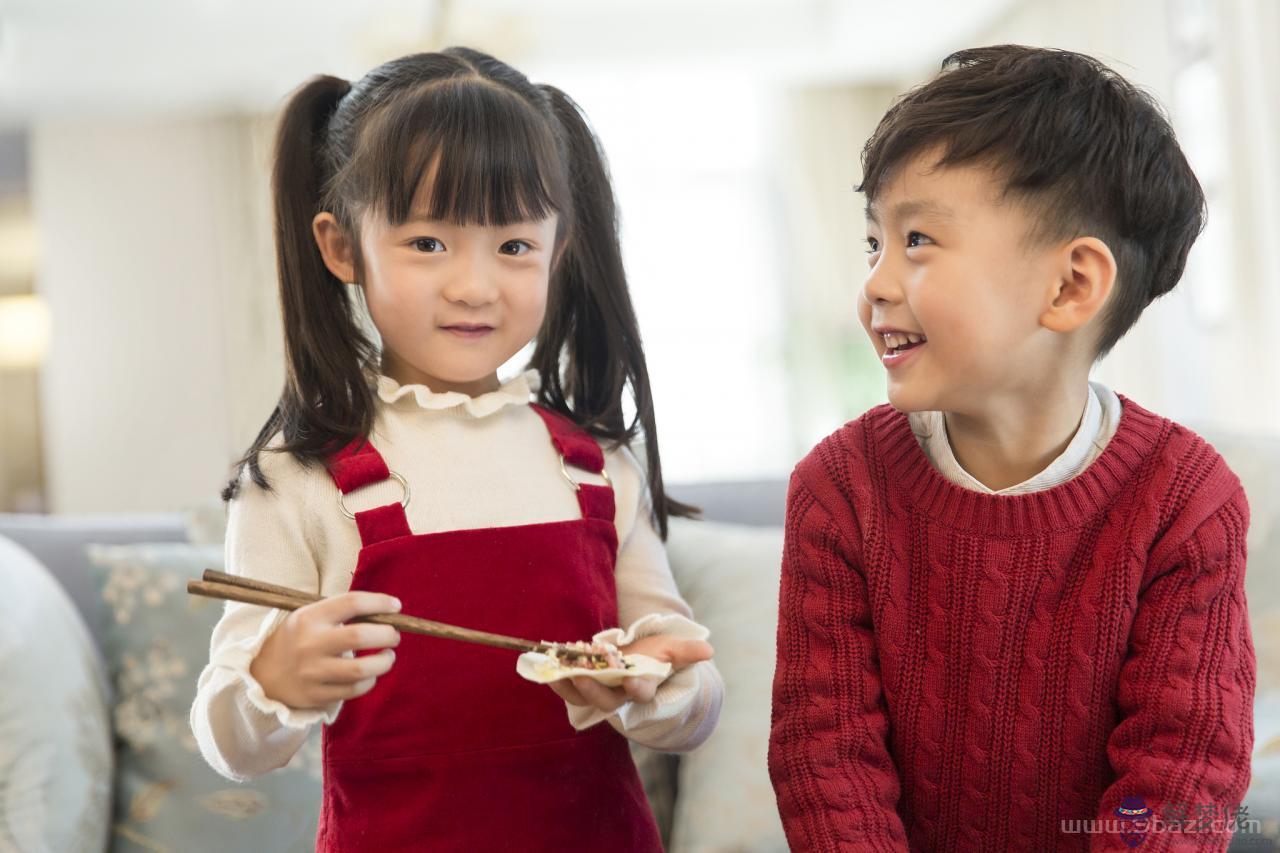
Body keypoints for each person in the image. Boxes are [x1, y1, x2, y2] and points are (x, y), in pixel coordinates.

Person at [190, 46, 723, 852]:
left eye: (513, 246)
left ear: (559, 247)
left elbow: (693, 694)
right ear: (342, 248)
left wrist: (657, 681)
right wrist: (273, 677)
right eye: (429, 243)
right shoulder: (297, 482)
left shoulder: (599, 467)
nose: (474, 286)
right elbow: (231, 742)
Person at [768, 45, 1254, 852]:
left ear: (1069, 287)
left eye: (917, 238)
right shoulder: (839, 488)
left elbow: (1183, 778)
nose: (877, 283)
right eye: (872, 243)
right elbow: (826, 762)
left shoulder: (1185, 499)